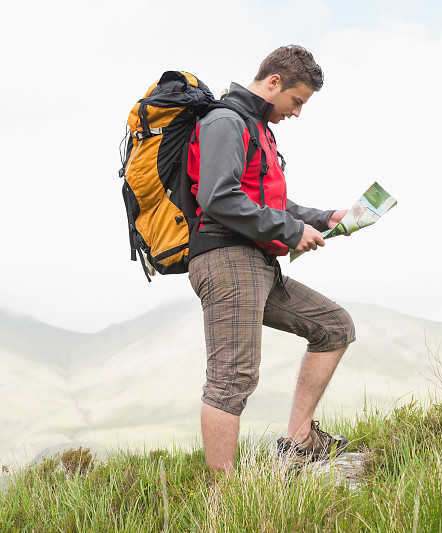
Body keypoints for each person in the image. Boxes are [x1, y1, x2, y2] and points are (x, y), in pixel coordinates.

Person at [186, 45, 356, 475]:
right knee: (232, 379)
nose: (297, 113)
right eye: (297, 101)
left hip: (256, 262)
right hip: (227, 258)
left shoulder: (258, 127)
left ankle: (299, 442)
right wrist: (293, 232)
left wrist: (323, 218)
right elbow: (219, 199)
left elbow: (270, 201)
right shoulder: (225, 121)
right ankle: (223, 504)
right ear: (274, 82)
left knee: (333, 326)